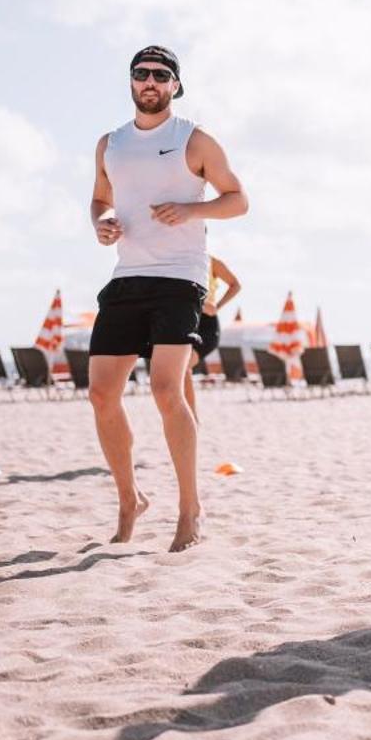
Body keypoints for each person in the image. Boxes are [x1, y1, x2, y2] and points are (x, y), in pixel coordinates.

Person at [88, 46, 248, 552]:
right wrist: (100, 223)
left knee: (164, 389)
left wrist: (190, 209)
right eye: (142, 74)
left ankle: (189, 508)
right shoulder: (110, 144)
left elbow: (238, 199)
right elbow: (99, 198)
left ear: (176, 85)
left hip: (180, 279)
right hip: (127, 277)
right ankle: (130, 498)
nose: (150, 82)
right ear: (131, 82)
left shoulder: (193, 139)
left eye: (161, 75)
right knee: (100, 395)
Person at [183, 255, 242, 422]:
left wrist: (217, 306)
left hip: (206, 325)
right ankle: (188, 417)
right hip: (185, 320)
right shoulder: (175, 258)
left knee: (183, 366)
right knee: (180, 369)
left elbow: (235, 285)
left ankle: (191, 418)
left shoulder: (212, 262)